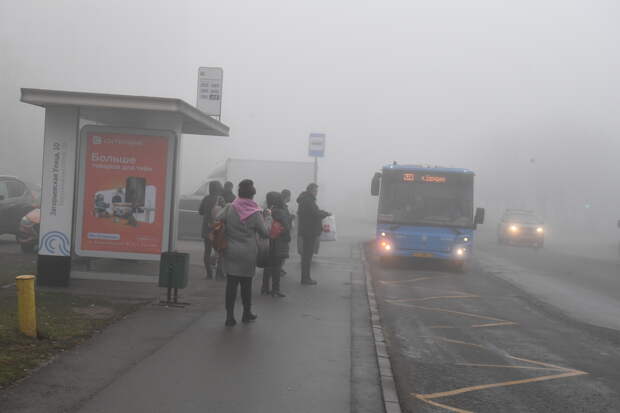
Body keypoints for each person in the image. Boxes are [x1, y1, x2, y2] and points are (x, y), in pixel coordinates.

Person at [216, 179, 269, 326]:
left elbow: (217, 218)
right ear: (252, 196)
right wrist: (267, 218)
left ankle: (229, 317)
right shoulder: (255, 212)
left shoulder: (230, 207)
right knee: (246, 284)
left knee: (231, 285)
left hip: (231, 251)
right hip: (248, 253)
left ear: (239, 193)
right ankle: (246, 313)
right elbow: (264, 233)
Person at [297, 183, 330, 285]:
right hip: (309, 231)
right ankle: (305, 278)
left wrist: (323, 212)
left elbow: (314, 211)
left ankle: (306, 277)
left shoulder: (305, 199)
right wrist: (325, 214)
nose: (316, 193)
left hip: (307, 230)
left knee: (306, 256)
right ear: (311, 190)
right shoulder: (308, 200)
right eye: (315, 191)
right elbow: (314, 213)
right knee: (307, 256)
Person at [261, 191, 291, 297]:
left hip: (269, 241)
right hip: (280, 241)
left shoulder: (268, 211)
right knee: (277, 266)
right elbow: (287, 227)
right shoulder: (281, 211)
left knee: (268, 265)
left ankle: (264, 288)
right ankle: (275, 290)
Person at [198, 181, 224, 279]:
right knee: (220, 252)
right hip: (217, 229)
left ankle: (209, 274)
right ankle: (219, 273)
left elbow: (200, 211)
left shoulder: (206, 198)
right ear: (218, 188)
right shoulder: (220, 199)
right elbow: (225, 212)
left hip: (206, 229)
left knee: (207, 252)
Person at [279, 189, 293, 277]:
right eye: (289, 196)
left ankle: (279, 268)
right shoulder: (283, 207)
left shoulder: (283, 206)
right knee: (283, 253)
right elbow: (284, 220)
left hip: (282, 233)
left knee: (282, 253)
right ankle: (279, 269)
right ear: (287, 196)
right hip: (283, 233)